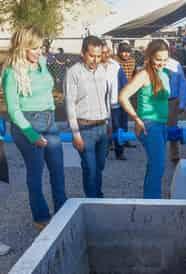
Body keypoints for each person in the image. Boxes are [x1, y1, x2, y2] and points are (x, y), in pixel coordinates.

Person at [2, 26, 67, 230]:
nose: (40, 51)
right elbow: (13, 109)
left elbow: (47, 90)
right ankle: (41, 217)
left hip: (49, 120)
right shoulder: (11, 73)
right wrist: (32, 135)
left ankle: (63, 211)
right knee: (35, 173)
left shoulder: (41, 63)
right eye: (35, 48)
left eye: (41, 47)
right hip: (27, 125)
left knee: (58, 170)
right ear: (23, 47)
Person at [119, 40, 170, 199]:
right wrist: (136, 119)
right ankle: (153, 203)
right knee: (158, 166)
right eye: (158, 59)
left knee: (156, 166)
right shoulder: (143, 74)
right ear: (149, 57)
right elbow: (123, 96)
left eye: (164, 59)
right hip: (149, 125)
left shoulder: (164, 74)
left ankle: (151, 200)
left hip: (161, 125)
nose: (161, 63)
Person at [64, 36, 111, 198]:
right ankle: (93, 201)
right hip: (85, 128)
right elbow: (69, 104)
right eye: (92, 55)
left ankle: (97, 196)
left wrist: (108, 122)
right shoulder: (73, 73)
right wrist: (75, 134)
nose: (95, 59)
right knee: (90, 168)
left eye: (99, 56)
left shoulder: (103, 71)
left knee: (100, 166)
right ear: (83, 53)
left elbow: (106, 97)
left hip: (103, 127)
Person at [101, 42, 128, 160]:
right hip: (100, 104)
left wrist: (124, 98)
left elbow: (124, 83)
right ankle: (104, 151)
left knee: (118, 127)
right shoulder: (93, 66)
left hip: (115, 102)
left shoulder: (115, 65)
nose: (106, 55)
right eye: (103, 52)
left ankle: (119, 151)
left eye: (108, 52)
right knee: (103, 128)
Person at [164, 52, 186, 162]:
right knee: (156, 128)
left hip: (171, 101)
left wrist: (182, 102)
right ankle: (157, 154)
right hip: (156, 102)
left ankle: (174, 155)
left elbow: (182, 84)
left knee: (172, 128)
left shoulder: (175, 64)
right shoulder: (152, 64)